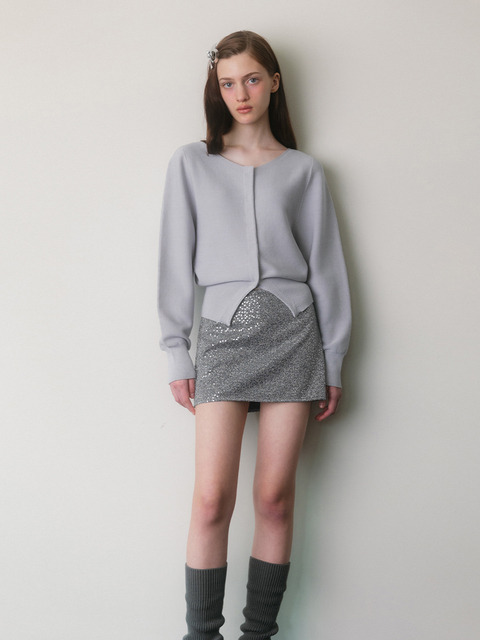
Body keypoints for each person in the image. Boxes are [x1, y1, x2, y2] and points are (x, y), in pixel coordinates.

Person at [157, 30, 351, 640]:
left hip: (295, 338)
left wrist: (334, 360)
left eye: (251, 79)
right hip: (220, 337)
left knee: (273, 499)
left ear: (273, 82)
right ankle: (201, 635)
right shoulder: (191, 163)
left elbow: (327, 269)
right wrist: (175, 350)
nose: (240, 93)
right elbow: (173, 263)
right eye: (227, 83)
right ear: (216, 90)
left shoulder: (304, 170)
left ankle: (259, 635)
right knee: (212, 499)